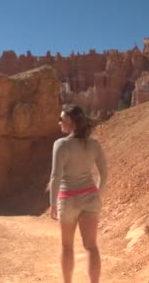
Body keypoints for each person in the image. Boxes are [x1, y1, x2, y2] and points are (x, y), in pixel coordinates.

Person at [49, 105, 108, 283]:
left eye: (62, 119)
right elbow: (104, 173)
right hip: (90, 198)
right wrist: (97, 193)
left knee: (67, 247)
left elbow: (55, 176)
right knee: (91, 247)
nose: (59, 122)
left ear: (72, 123)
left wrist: (52, 203)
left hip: (68, 200)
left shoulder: (61, 144)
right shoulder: (94, 144)